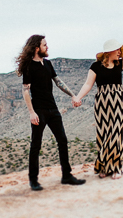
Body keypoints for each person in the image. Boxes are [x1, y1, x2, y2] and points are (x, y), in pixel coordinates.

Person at [16, 34, 86, 191]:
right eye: (44, 45)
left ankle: (66, 176)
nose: (47, 47)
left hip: (52, 109)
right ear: (36, 48)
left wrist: (73, 95)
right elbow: (26, 91)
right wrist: (31, 112)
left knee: (62, 140)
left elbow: (58, 82)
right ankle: (33, 180)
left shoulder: (47, 64)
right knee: (36, 144)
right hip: (38, 110)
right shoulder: (29, 66)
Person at [74, 39, 123, 179]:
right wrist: (78, 97)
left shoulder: (119, 63)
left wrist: (121, 50)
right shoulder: (95, 66)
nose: (120, 53)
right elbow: (88, 84)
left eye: (121, 51)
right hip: (102, 102)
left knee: (117, 134)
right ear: (109, 52)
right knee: (103, 135)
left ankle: (116, 168)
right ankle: (104, 166)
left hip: (119, 101)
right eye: (118, 50)